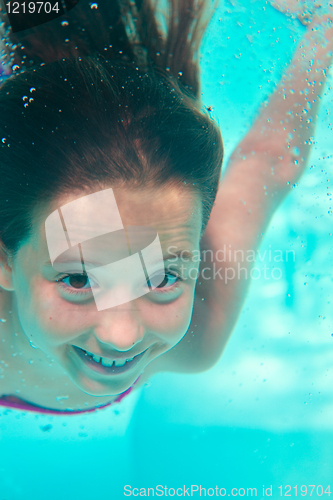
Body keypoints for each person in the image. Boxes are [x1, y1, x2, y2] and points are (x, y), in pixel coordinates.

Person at [0, 0, 332, 414]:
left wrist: (324, 28)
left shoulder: (198, 336)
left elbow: (268, 164)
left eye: (162, 277)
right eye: (79, 279)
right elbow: (272, 162)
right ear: (6, 260)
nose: (121, 336)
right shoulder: (192, 343)